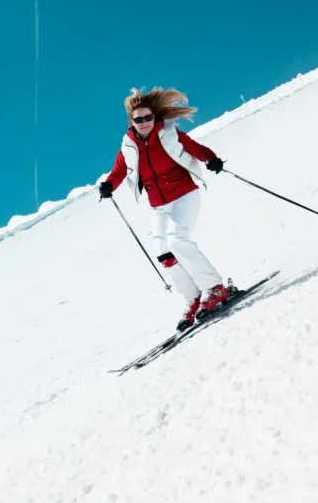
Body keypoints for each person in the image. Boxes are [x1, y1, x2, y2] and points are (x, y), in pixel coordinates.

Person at [98, 87, 230, 330]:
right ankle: (193, 299)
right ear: (132, 122)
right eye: (139, 119)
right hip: (159, 205)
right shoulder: (129, 145)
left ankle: (215, 288)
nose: (145, 122)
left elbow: (194, 147)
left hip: (184, 195)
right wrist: (108, 185)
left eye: (148, 117)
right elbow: (119, 170)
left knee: (177, 240)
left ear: (154, 117)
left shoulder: (169, 134)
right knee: (162, 250)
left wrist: (210, 159)